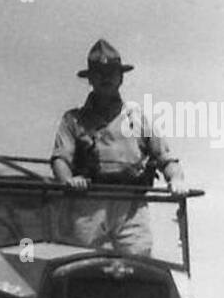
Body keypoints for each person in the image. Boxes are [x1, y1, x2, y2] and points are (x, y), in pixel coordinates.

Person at [51, 39, 188, 256]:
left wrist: (176, 180)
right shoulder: (73, 120)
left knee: (139, 268)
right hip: (88, 206)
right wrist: (68, 180)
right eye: (99, 72)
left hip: (131, 208)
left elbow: (166, 158)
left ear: (121, 77)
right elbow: (61, 159)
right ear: (90, 79)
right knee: (80, 267)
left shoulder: (137, 118)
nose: (106, 78)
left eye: (111, 72)